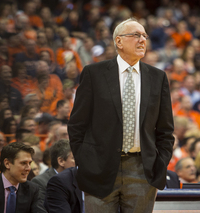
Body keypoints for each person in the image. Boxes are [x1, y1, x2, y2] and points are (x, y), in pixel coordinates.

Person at [68, 18, 174, 212]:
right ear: (118, 41)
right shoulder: (94, 73)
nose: (142, 40)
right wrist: (85, 161)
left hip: (142, 170)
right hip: (99, 168)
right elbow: (77, 124)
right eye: (136, 35)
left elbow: (166, 129)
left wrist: (160, 162)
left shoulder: (158, 77)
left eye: (144, 35)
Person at [0, 142, 46, 212]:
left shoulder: (32, 189)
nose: (28, 168)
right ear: (7, 164)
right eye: (23, 163)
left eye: (29, 163)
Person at [31, 139, 75, 208]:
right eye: (74, 158)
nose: (79, 162)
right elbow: (41, 210)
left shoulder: (79, 180)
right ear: (61, 161)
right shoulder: (40, 182)